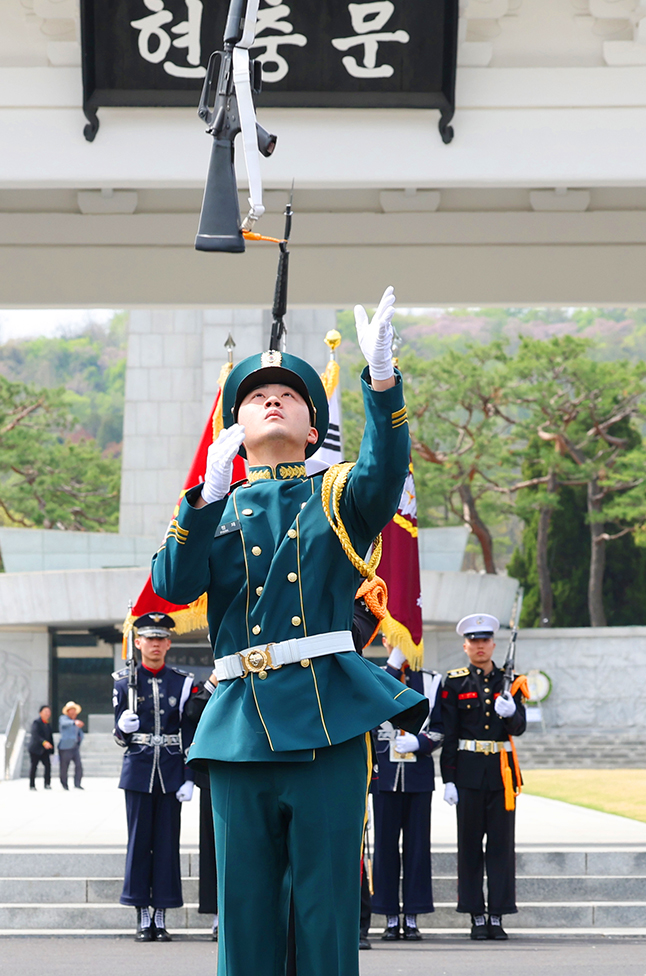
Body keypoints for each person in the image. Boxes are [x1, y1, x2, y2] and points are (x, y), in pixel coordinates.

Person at [152, 288, 428, 976]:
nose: (272, 400)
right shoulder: (214, 507)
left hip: (326, 720)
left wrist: (383, 382)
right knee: (244, 914)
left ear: (312, 430)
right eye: (256, 397)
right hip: (240, 726)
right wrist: (204, 498)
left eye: (288, 396)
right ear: (235, 427)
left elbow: (384, 473)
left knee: (326, 910)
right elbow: (173, 584)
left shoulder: (335, 494)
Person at [439, 612, 527, 941]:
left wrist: (512, 712)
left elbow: (519, 728)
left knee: (502, 847)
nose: (480, 646)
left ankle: (498, 914)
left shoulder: (510, 681)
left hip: (501, 774)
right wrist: (448, 779)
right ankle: (476, 914)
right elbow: (449, 733)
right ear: (465, 646)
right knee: (470, 846)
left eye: (485, 640)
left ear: (493, 645)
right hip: (468, 773)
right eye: (474, 641)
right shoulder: (455, 682)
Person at [113, 612, 195, 941]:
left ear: (169, 643)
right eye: (149, 638)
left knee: (166, 844)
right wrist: (123, 727)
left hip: (171, 771)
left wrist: (189, 776)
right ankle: (141, 913)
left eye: (161, 639)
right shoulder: (123, 681)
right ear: (138, 642)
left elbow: (189, 732)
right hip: (138, 770)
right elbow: (119, 738)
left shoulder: (182, 682)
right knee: (139, 843)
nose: (155, 644)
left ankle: (160, 914)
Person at [370, 640, 443, 941]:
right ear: (386, 641)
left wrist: (421, 742)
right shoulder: (376, 676)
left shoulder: (431, 680)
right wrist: (391, 668)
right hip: (385, 776)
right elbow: (370, 713)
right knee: (385, 848)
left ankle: (412, 915)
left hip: (417, 775)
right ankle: (389, 915)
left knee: (417, 848)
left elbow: (441, 727)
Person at [182, 672, 220, 940]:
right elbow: (192, 712)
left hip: (251, 770)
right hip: (212, 774)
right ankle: (218, 914)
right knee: (213, 847)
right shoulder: (209, 683)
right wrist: (214, 681)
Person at [57, 701, 85, 789]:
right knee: (64, 767)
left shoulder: (76, 722)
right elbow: (64, 723)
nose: (73, 713)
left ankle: (77, 784)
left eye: (74, 711)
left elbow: (79, 733)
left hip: (75, 747)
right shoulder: (63, 719)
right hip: (65, 747)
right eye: (71, 710)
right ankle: (64, 784)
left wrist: (80, 739)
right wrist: (74, 722)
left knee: (78, 765)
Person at [27, 705, 54, 790]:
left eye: (48, 712)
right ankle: (32, 785)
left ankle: (47, 784)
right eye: (45, 712)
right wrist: (44, 742)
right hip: (35, 749)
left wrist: (52, 749)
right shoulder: (36, 722)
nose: (47, 713)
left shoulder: (48, 724)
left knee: (48, 766)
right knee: (34, 767)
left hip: (45, 750)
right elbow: (35, 735)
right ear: (40, 713)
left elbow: (50, 737)